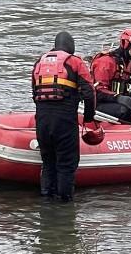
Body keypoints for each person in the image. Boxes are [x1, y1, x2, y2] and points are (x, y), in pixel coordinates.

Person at [32, 31, 96, 202]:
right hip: (65, 120)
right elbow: (89, 93)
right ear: (71, 47)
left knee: (48, 163)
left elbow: (34, 94)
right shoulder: (75, 62)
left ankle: (46, 199)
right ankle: (65, 205)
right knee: (66, 164)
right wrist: (89, 118)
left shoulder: (39, 62)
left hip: (43, 121)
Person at [90, 28, 131, 123]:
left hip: (118, 99)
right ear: (125, 44)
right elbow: (98, 92)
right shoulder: (106, 62)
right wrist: (118, 98)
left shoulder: (130, 62)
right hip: (100, 103)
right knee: (124, 111)